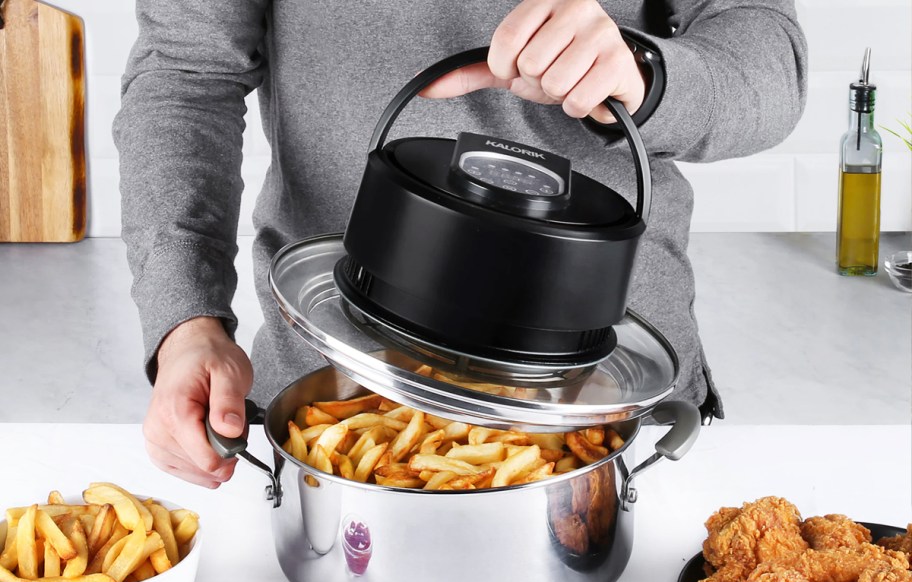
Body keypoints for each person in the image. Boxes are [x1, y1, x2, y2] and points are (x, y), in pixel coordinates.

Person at [114, 0, 808, 488]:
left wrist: (644, 75)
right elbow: (185, 73)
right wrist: (187, 320)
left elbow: (769, 55)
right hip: (333, 408)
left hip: (612, 407)